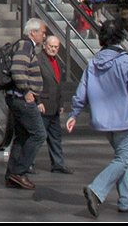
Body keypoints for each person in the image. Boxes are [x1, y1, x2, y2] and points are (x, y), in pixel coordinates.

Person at [67, 19, 128, 218]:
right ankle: (97, 189)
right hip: (125, 118)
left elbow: (82, 90)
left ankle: (126, 200)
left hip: (103, 120)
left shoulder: (93, 63)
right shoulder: (127, 62)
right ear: (121, 37)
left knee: (123, 158)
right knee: (124, 158)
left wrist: (74, 113)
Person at [5, 18, 48, 190]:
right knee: (38, 134)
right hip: (21, 98)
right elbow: (17, 69)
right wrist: (26, 91)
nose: (44, 36)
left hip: (17, 97)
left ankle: (12, 174)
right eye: (43, 32)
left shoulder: (25, 46)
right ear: (33, 32)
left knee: (22, 136)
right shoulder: (26, 45)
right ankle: (19, 171)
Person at [37, 34, 72, 174]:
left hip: (55, 106)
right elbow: (36, 83)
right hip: (43, 105)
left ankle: (58, 164)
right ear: (45, 45)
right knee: (38, 137)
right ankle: (28, 163)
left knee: (56, 137)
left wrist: (61, 103)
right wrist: (38, 102)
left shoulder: (58, 61)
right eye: (51, 46)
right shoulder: (39, 60)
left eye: (56, 47)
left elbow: (58, 84)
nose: (53, 49)